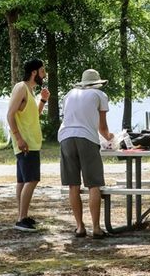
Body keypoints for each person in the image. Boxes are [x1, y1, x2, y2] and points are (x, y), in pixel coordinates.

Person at [57, 69, 114, 239]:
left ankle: (80, 227)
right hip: (87, 139)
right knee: (93, 185)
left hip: (65, 137)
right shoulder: (99, 95)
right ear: (97, 83)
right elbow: (102, 129)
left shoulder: (68, 95)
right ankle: (96, 228)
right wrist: (111, 138)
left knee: (73, 185)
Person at [7, 58, 50, 232]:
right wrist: (18, 138)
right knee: (32, 179)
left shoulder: (30, 92)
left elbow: (33, 116)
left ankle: (22, 216)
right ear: (34, 72)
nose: (44, 74)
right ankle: (21, 219)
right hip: (25, 144)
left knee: (23, 181)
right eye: (42, 71)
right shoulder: (21, 88)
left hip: (31, 142)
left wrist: (43, 101)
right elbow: (10, 115)